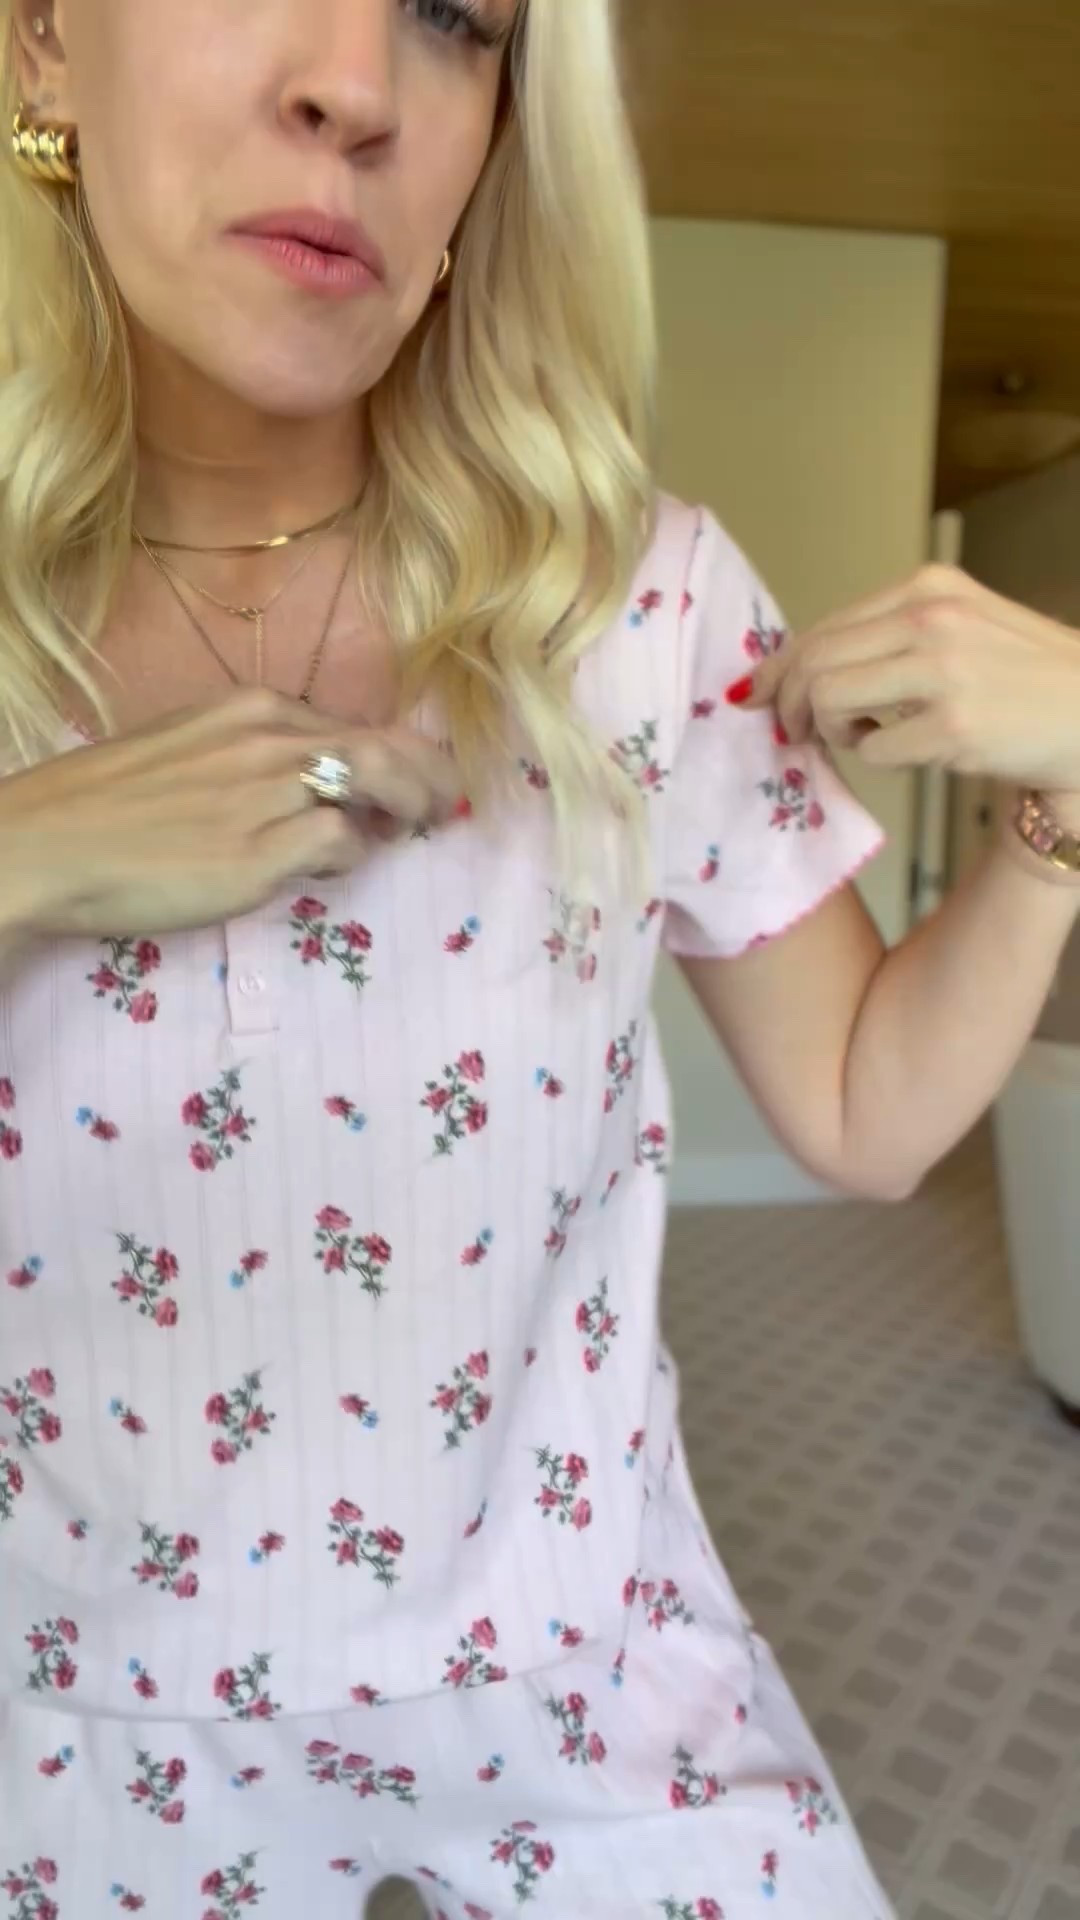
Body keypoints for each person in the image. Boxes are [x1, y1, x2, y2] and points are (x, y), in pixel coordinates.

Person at [2, 3, 1080, 1917]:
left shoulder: (637, 600)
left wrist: (1067, 795)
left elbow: (868, 1114)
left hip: (587, 1666)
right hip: (70, 1705)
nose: (356, 84)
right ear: (41, 46)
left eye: (458, 16)